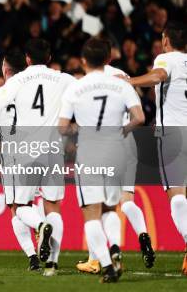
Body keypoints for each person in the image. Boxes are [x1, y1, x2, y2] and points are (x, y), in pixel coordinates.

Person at [0, 38, 75, 276]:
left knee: (20, 206)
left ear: (27, 59)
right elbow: (83, 91)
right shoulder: (63, 78)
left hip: (24, 150)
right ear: (49, 57)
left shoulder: (18, 81)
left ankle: (39, 229)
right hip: (54, 149)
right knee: (53, 206)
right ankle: (53, 264)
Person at [59, 37, 145, 282]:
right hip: (116, 151)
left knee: (91, 213)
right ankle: (116, 249)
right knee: (109, 208)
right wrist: (122, 131)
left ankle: (107, 265)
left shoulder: (76, 87)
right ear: (108, 59)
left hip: (90, 151)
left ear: (84, 61)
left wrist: (78, 129)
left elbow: (62, 127)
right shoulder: (122, 84)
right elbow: (139, 117)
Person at [77, 39, 156, 274]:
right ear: (109, 57)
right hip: (128, 142)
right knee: (126, 200)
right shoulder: (123, 76)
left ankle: (96, 259)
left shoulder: (87, 82)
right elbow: (139, 112)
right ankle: (143, 234)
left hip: (103, 145)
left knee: (99, 206)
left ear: (87, 59)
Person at [121, 22, 187, 276]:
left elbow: (158, 76)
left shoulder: (165, 59)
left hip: (172, 134)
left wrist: (130, 80)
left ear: (166, 41)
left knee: (177, 197)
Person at [0, 49, 40, 270]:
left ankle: (34, 250)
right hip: (41, 150)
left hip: (15, 153)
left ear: (5, 69)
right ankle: (38, 252)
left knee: (16, 207)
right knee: (31, 203)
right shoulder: (36, 93)